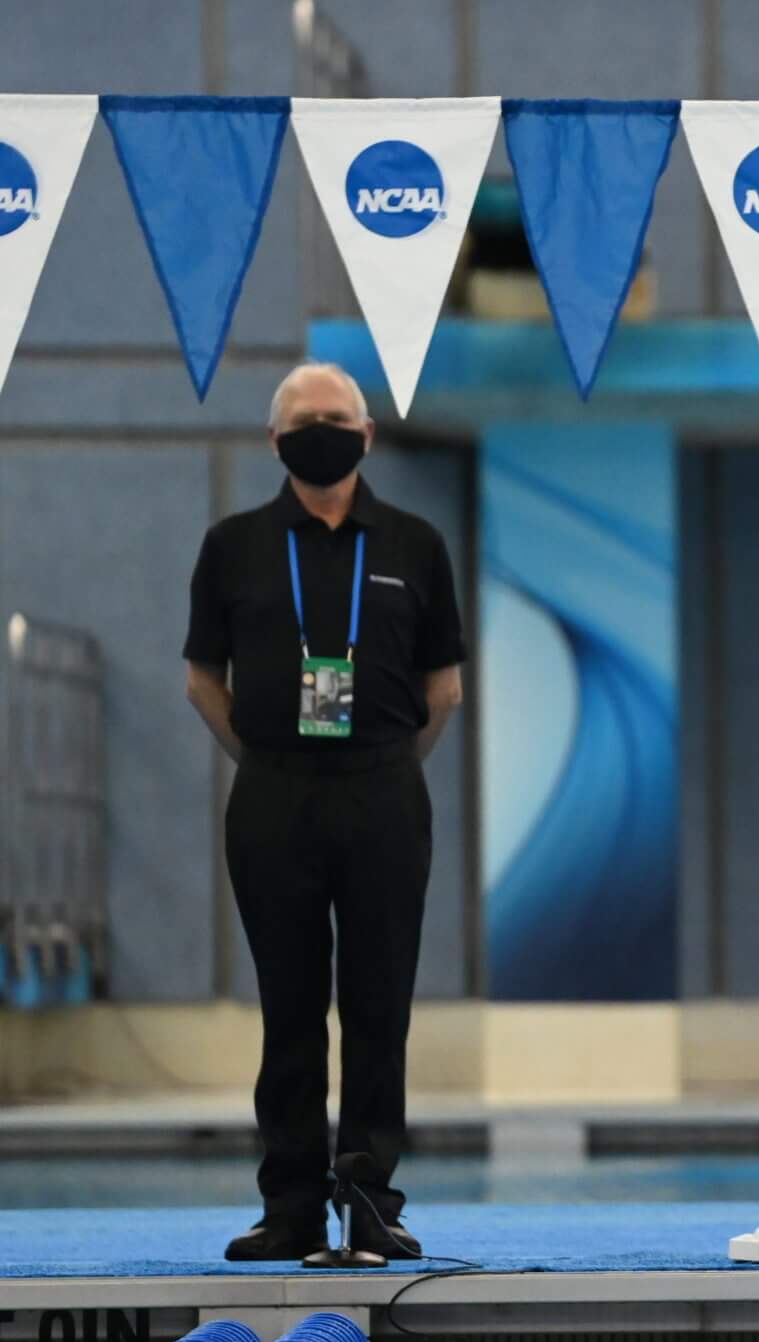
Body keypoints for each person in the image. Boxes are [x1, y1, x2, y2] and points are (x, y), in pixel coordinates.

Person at [183, 362, 465, 1261]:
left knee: (380, 1004)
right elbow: (200, 680)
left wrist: (381, 767)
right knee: (289, 1007)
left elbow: (445, 689)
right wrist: (268, 761)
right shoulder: (234, 544)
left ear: (368, 433)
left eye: (336, 417)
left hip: (384, 785)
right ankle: (292, 1205)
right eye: (304, 419)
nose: (321, 428)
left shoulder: (416, 544)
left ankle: (372, 1200)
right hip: (273, 791)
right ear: (275, 441)